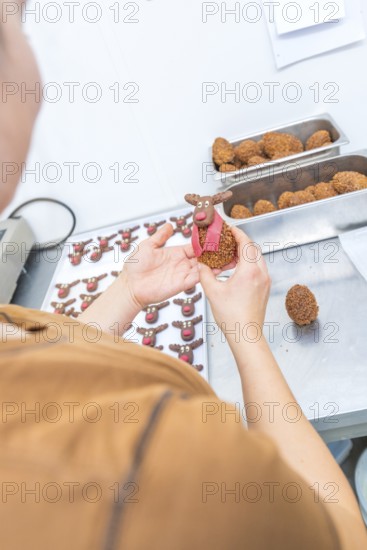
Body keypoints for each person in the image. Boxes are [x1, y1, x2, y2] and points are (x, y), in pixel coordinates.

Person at [0, 3, 366, 549]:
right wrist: (246, 334)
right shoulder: (154, 453)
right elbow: (336, 532)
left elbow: (34, 364)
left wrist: (124, 296)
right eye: (16, 26)